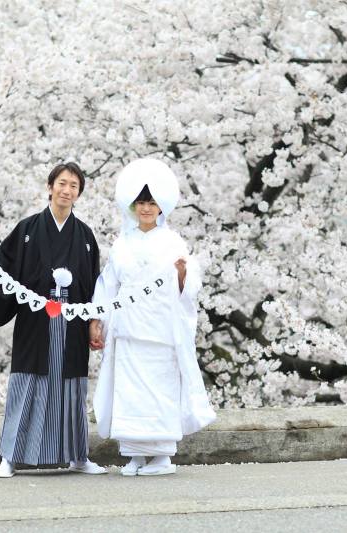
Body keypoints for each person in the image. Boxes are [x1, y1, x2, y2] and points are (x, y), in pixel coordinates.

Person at [0, 161, 106, 477]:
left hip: (71, 320)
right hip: (36, 319)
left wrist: (92, 321)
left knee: (71, 387)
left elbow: (93, 282)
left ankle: (78, 456)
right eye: (62, 183)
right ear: (49, 187)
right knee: (28, 382)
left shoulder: (85, 235)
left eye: (74, 185)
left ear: (79, 193)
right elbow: (4, 265)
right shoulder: (28, 230)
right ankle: (10, 457)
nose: (66, 189)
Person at [90, 158, 216, 476]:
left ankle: (161, 457)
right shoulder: (123, 242)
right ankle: (134, 454)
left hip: (160, 327)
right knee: (130, 390)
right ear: (133, 207)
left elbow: (189, 285)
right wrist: (97, 318)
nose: (146, 209)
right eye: (141, 203)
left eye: (152, 203)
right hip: (128, 326)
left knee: (158, 388)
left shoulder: (172, 241)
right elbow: (109, 283)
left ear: (161, 207)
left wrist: (184, 274)